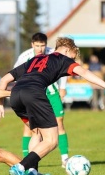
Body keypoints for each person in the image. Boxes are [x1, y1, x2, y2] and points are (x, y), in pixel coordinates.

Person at [0, 37, 105, 175]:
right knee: (52, 140)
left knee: (36, 133)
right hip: (34, 94)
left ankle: (32, 174)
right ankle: (20, 168)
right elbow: (85, 73)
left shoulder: (36, 59)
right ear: (66, 50)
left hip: (15, 95)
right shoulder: (63, 59)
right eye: (73, 57)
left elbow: (4, 80)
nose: (72, 61)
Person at [13, 32, 69, 167]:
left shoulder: (53, 54)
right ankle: (27, 160)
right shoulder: (24, 57)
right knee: (31, 128)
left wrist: (63, 88)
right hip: (33, 94)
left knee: (59, 123)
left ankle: (65, 158)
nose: (40, 49)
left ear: (46, 45)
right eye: (37, 45)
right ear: (32, 44)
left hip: (51, 92)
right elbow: (15, 74)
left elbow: (64, 68)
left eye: (42, 45)